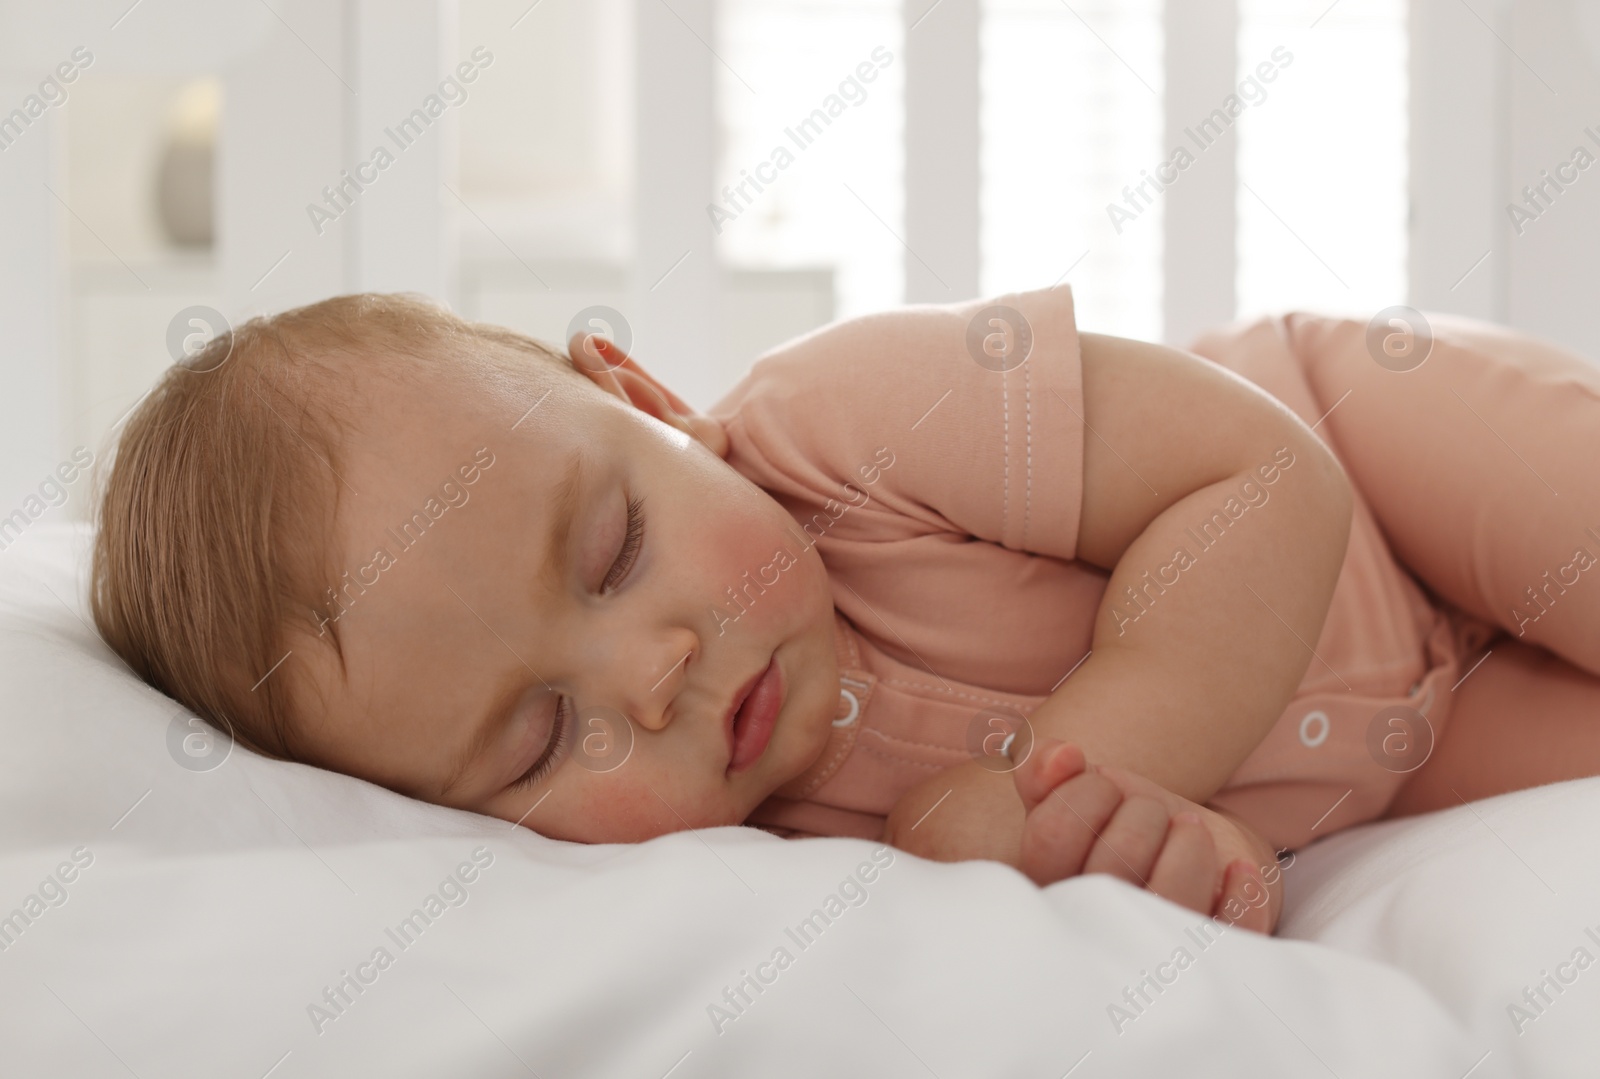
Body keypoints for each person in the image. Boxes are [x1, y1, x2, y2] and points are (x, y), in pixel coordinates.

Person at [90, 286, 1600, 937]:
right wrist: (1160, 874)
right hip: (1401, 755)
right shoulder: (786, 885)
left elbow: (1258, 482)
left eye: (613, 548)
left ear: (649, 400)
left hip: (1374, 459)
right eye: (544, 736)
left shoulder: (845, 419)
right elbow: (1192, 897)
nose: (655, 673)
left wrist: (1065, 779)